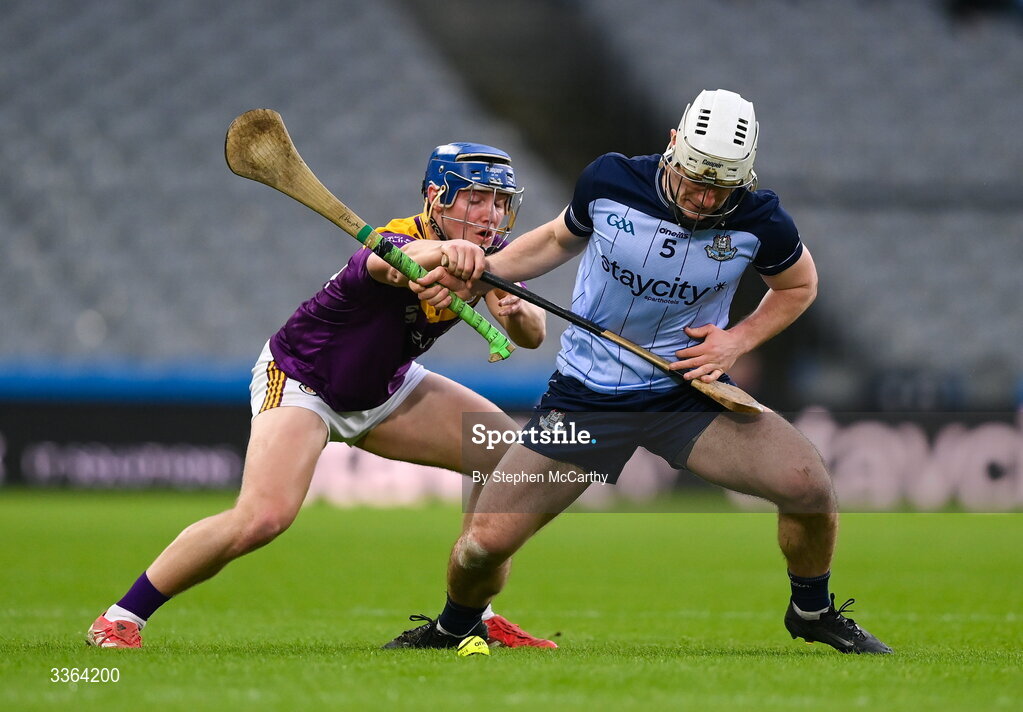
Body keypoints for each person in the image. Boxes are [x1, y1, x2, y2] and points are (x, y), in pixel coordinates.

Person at [387, 89, 892, 654]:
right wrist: (484, 272)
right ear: (673, 147)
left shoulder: (761, 219)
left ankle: (812, 611)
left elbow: (799, 286)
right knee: (482, 545)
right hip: (585, 400)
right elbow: (557, 238)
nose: (703, 198)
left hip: (687, 395)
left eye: (720, 188)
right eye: (695, 179)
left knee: (808, 486)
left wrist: (737, 340)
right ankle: (454, 627)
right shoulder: (611, 180)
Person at [86, 142, 559, 649]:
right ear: (438, 198)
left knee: (513, 461)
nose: (490, 214)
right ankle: (120, 617)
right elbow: (396, 266)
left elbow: (531, 335)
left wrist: (513, 308)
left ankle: (467, 618)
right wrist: (447, 256)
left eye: (499, 201)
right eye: (475, 199)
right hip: (302, 380)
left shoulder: (488, 259)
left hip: (387, 390)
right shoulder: (399, 240)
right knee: (263, 518)